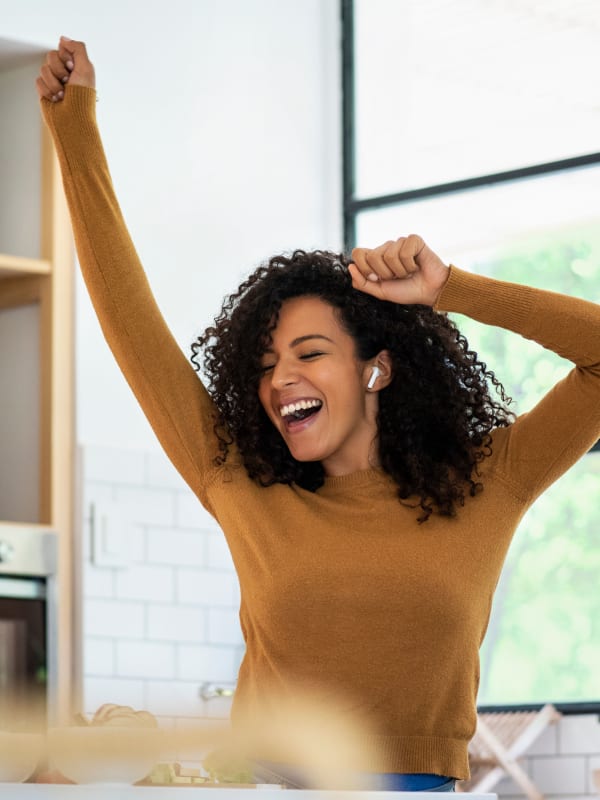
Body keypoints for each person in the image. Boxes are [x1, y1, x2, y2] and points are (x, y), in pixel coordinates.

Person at [36, 38, 600, 792]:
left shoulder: (487, 480)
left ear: (377, 367)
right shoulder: (239, 481)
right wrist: (76, 132)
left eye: (309, 353)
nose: (281, 380)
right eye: (266, 363)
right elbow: (128, 322)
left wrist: (452, 287)